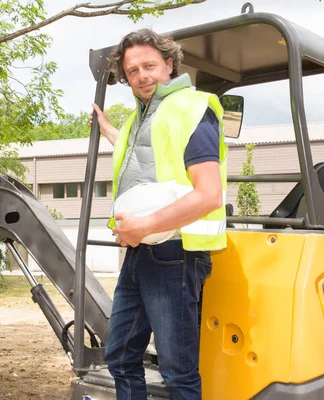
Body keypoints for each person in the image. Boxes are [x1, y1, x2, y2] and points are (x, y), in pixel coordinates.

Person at [91, 29, 228, 399]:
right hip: (141, 252)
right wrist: (107, 129)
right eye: (132, 71)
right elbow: (147, 159)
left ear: (169, 64)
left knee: (177, 372)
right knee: (119, 357)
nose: (140, 76)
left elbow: (210, 193)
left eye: (149, 65)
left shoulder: (191, 109)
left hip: (174, 254)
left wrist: (146, 225)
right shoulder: (143, 118)